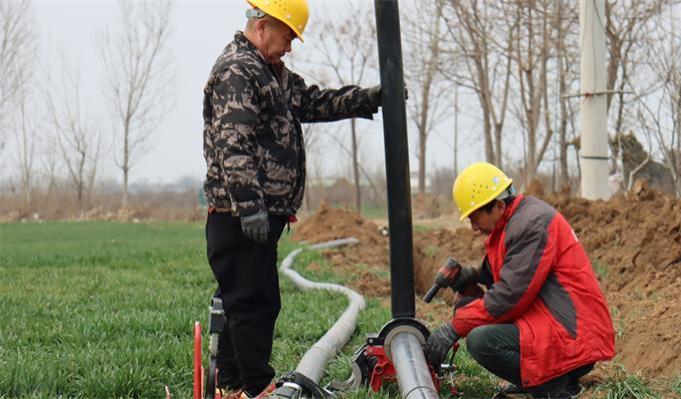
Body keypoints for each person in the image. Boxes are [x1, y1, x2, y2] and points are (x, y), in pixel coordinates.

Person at [202, 1, 384, 398]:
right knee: (253, 304)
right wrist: (250, 207)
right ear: (264, 26)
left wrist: (365, 98)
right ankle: (256, 387)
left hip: (258, 217)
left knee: (247, 301)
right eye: (288, 37)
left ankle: (232, 385)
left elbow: (313, 102)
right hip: (240, 216)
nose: (290, 47)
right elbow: (234, 145)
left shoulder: (271, 73)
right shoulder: (239, 70)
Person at [423, 162, 616, 399]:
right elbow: (509, 269)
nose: (473, 227)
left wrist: (453, 329)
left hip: (572, 336)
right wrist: (471, 275)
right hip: (555, 321)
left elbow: (508, 297)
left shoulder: (532, 224)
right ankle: (540, 381)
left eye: (475, 218)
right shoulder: (515, 220)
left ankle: (552, 388)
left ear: (499, 206)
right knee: (467, 308)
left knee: (481, 341)